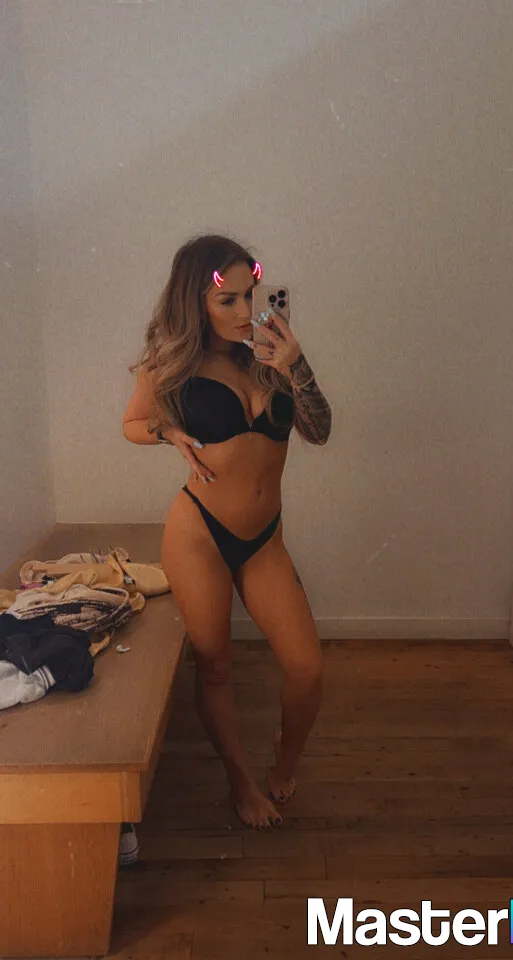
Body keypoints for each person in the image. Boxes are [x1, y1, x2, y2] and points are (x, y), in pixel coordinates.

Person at [122, 234, 332, 830]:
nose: (245, 312)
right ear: (196, 302)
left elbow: (319, 431)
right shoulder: (172, 363)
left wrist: (296, 366)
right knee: (214, 666)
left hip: (264, 538)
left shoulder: (269, 355)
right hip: (200, 534)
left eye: (249, 296)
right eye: (228, 301)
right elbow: (132, 422)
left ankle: (283, 763)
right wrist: (168, 433)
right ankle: (240, 780)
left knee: (308, 668)